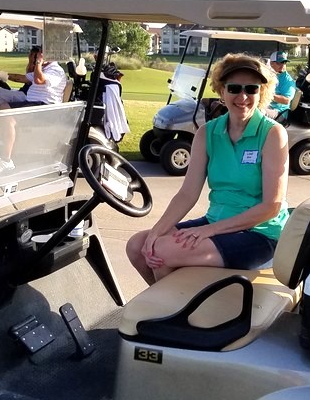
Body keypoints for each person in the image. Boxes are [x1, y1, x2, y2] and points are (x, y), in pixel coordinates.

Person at [126, 53, 290, 285]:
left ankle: (179, 306)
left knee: (163, 252)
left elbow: (271, 206)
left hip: (260, 233)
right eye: (234, 88)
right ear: (222, 91)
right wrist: (157, 231)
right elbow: (187, 194)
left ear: (261, 92)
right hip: (217, 223)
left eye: (251, 89)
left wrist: (209, 231)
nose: (243, 96)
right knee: (138, 246)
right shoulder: (207, 133)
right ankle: (180, 302)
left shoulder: (272, 133)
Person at [0, 48, 68, 173]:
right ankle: (1, 139)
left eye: (39, 55)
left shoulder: (55, 70)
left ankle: (6, 160)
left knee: (7, 114)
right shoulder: (45, 68)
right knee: (4, 106)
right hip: (33, 104)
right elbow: (21, 78)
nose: (37, 58)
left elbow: (39, 80)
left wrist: (38, 63)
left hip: (44, 109)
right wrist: (1, 74)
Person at [265, 50, 296, 120]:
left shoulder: (287, 80)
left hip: (279, 112)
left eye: (284, 63)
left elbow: (286, 100)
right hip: (267, 106)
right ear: (271, 63)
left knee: (257, 112)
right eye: (279, 63)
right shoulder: (268, 75)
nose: (282, 65)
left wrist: (267, 94)